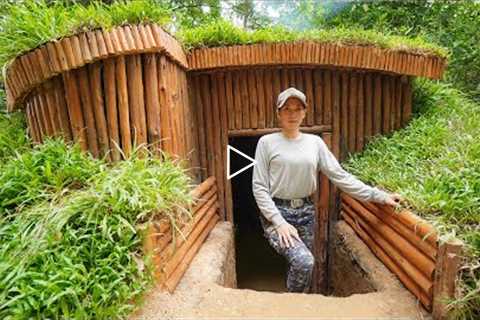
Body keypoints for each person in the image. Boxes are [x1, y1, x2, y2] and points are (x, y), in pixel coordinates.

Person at [252, 87, 403, 293]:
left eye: (298, 109)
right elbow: (259, 187)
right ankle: (289, 307)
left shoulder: (315, 143)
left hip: (306, 212)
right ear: (278, 113)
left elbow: (340, 176)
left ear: (305, 113)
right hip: (276, 213)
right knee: (304, 262)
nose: (292, 114)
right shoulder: (266, 143)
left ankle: (298, 304)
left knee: (298, 265)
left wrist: (378, 195)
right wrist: (279, 223)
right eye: (287, 108)